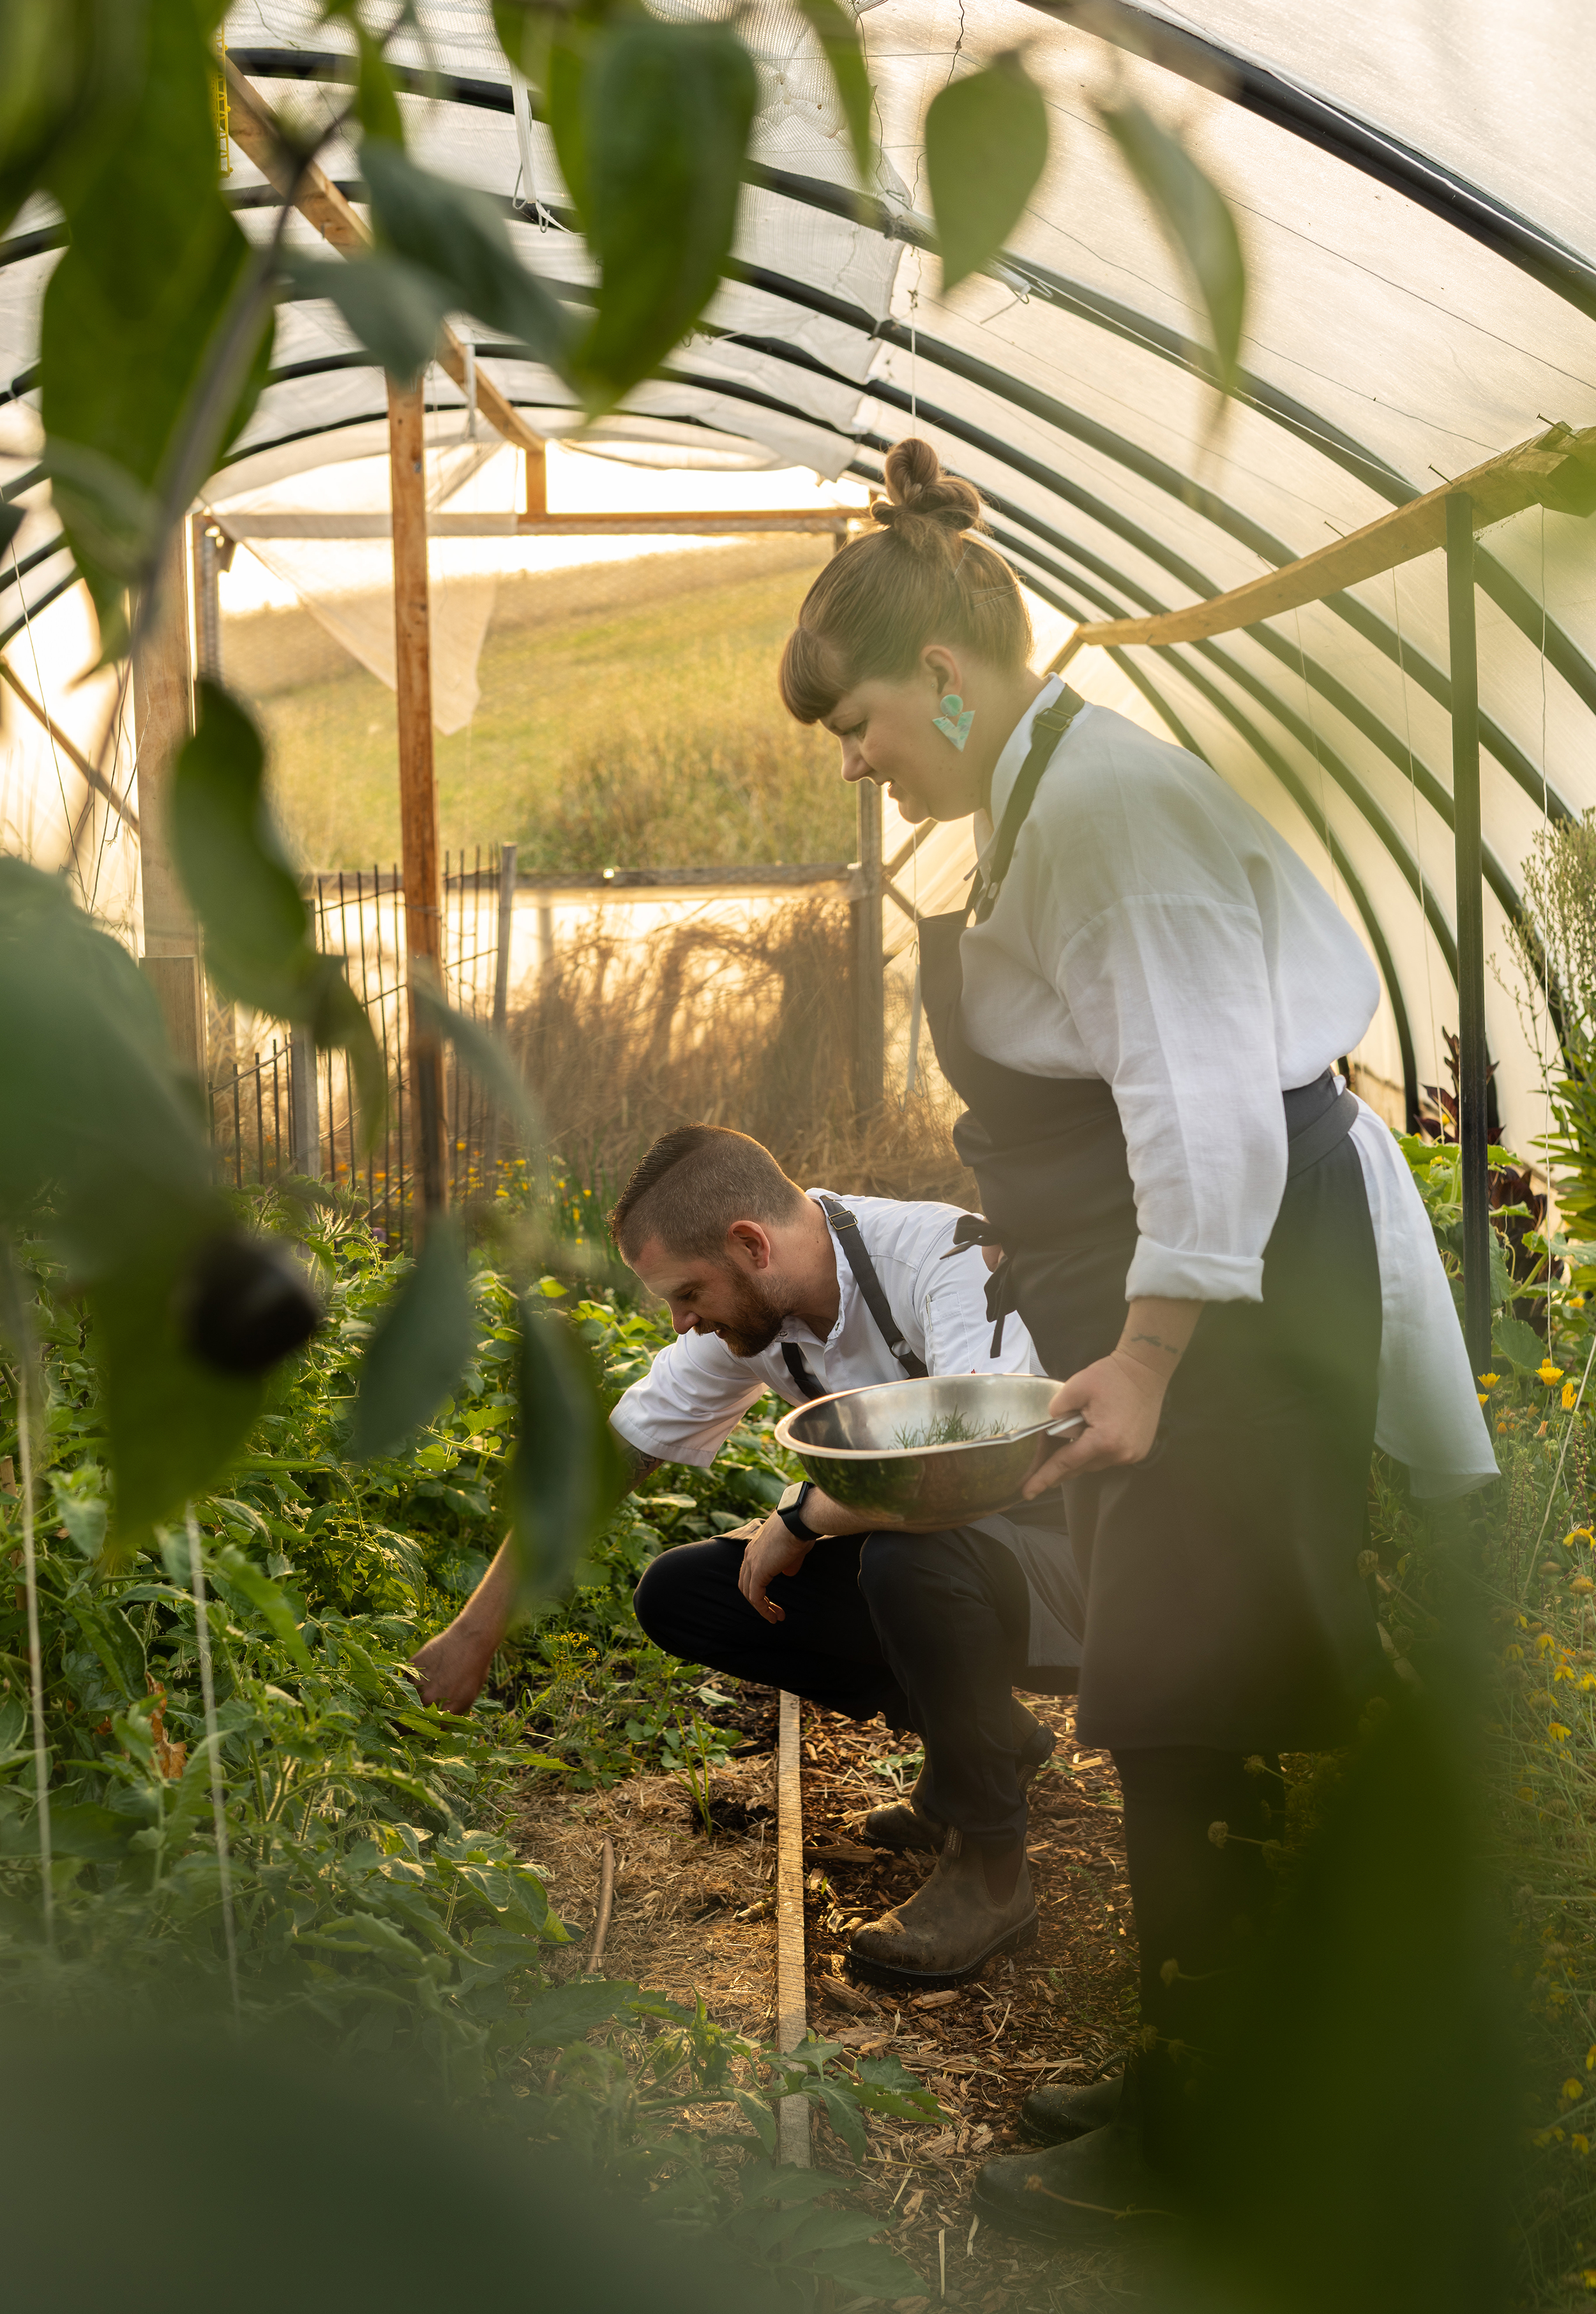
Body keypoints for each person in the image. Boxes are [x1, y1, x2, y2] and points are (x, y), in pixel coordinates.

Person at [775, 437, 1497, 2242]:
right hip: (1180, 1306)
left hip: (1234, 1312)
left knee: (1194, 1695)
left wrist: (1154, 1358)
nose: (853, 759)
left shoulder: (1105, 822)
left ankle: (1210, 2137)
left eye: (854, 719)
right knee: (1176, 1695)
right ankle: (1200, 2060)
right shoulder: (1039, 802)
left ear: (941, 673)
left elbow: (1209, 1121)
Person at [413, 1123, 1089, 1983]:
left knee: (905, 1562)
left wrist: (803, 1516)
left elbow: (975, 1469)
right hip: (946, 1557)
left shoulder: (946, 1261)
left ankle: (992, 1871)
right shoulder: (757, 1318)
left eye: (688, 1292)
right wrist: (477, 1630)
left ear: (750, 1245)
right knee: (683, 1593)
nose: (680, 1319)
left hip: (1067, 1562)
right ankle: (980, 1753)